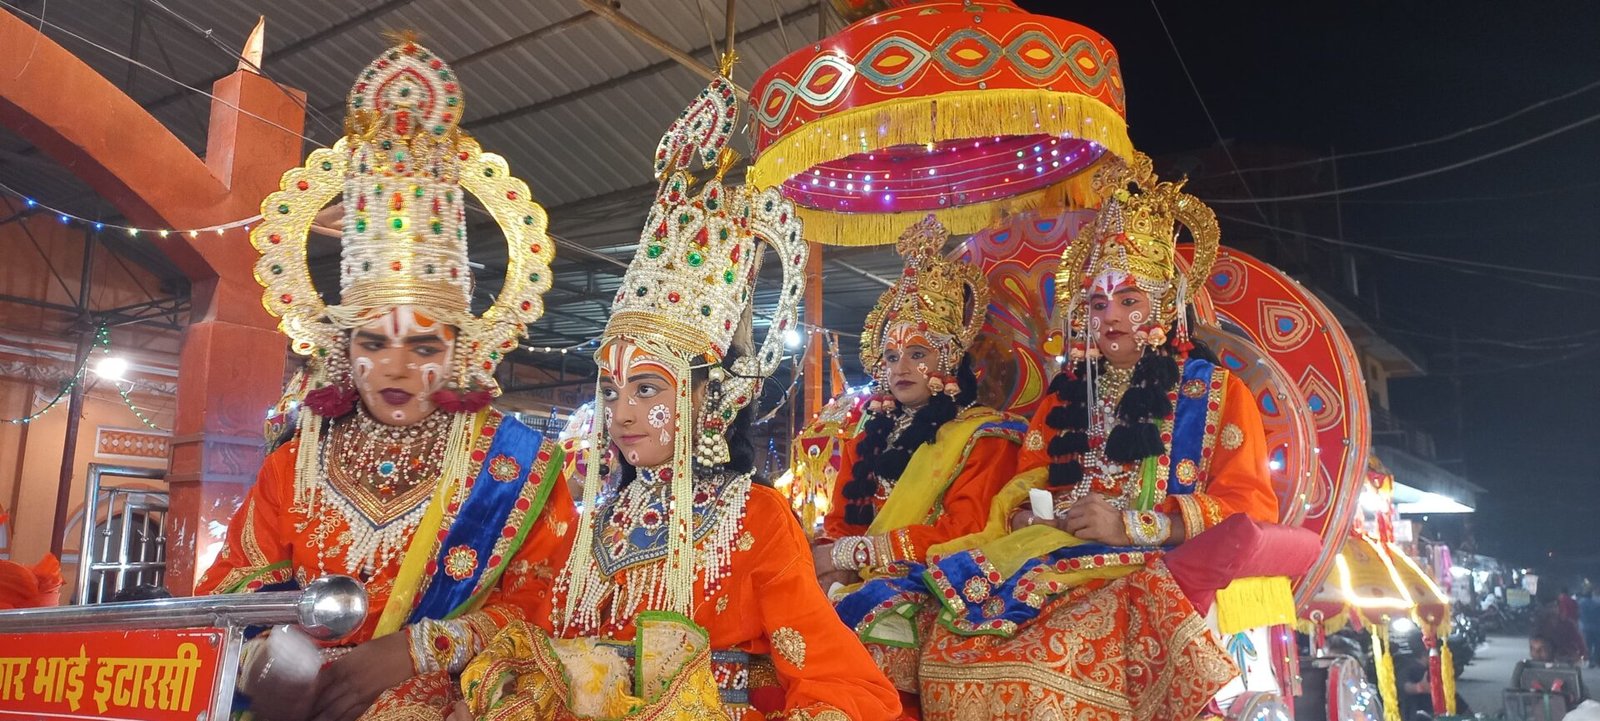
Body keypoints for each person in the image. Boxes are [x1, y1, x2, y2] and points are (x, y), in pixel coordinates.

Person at [451, 60, 901, 721]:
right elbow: (547, 645)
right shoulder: (599, 520)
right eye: (612, 389)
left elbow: (850, 689)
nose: (621, 411)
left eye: (646, 388)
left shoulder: (756, 520)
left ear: (703, 400)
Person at [195, 37, 576, 721]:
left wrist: (417, 651)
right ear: (343, 347)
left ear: (460, 347)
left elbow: (547, 611)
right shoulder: (298, 459)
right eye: (374, 341)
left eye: (423, 344)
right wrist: (272, 666)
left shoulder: (516, 464)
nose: (396, 366)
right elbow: (232, 589)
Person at [914, 154, 1282, 721]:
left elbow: (1249, 505)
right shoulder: (1066, 395)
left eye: (1129, 300)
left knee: (1036, 672)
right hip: (1053, 557)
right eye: (1097, 302)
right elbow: (1024, 482)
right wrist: (1030, 517)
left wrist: (1133, 524)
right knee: (945, 642)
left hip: (1145, 568)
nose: (1110, 315)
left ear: (1164, 304)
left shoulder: (1216, 394)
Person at [806, 214, 1024, 700]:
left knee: (870, 628)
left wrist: (852, 555)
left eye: (918, 353)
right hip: (860, 577)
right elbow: (843, 520)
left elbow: (965, 531)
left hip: (938, 585)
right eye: (890, 357)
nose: (900, 366)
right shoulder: (867, 433)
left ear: (948, 359)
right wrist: (830, 559)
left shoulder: (985, 435)